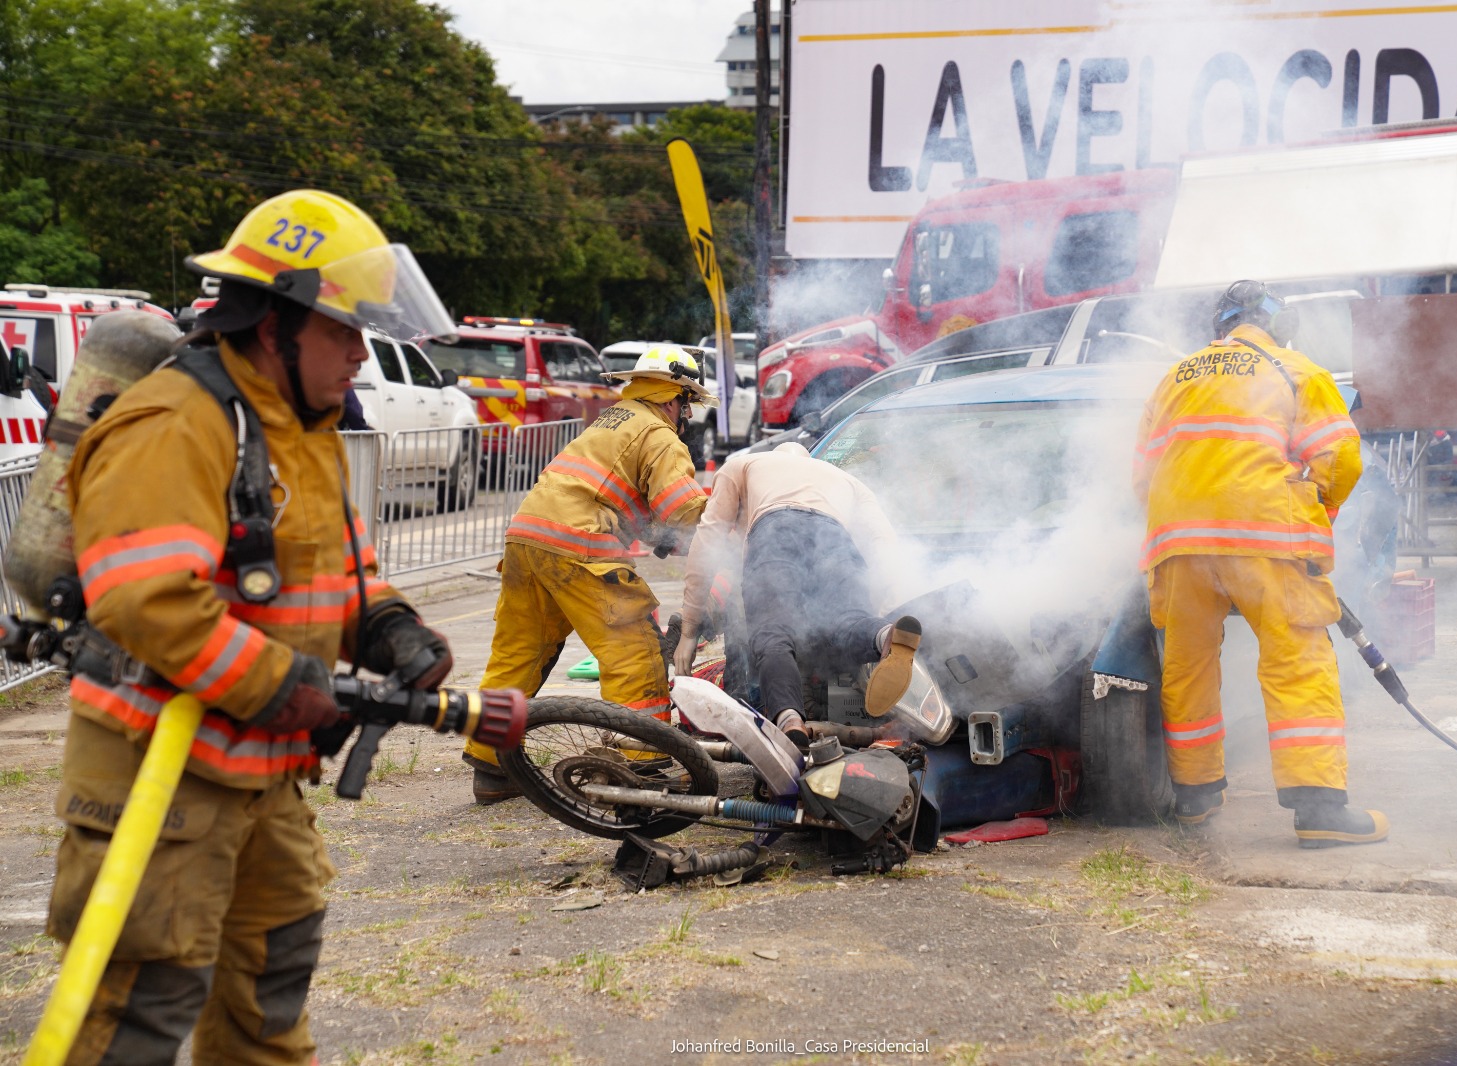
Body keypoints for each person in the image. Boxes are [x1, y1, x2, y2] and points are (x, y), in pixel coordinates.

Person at [50, 189, 458, 1063]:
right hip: (158, 784)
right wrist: (289, 688)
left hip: (263, 778)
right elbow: (146, 596)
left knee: (271, 993)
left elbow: (333, 573)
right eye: (343, 330)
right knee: (139, 1013)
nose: (361, 352)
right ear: (274, 325)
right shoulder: (175, 423)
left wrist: (389, 627)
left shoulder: (300, 427)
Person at [1133, 279, 1388, 848]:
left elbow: (1142, 476)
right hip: (1266, 538)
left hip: (1180, 544)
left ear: (1219, 326)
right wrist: (1316, 503)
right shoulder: (1295, 369)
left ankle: (1196, 798)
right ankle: (1320, 810)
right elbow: (1341, 456)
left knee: (1187, 666)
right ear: (1278, 324)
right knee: (1297, 659)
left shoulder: (1174, 377)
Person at [464, 344, 712, 803]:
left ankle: (492, 766)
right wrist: (724, 529)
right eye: (687, 406)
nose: (686, 417)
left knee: (518, 653)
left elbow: (610, 494)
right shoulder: (659, 434)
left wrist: (656, 534)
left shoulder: (612, 420)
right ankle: (642, 764)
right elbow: (683, 509)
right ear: (674, 398)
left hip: (526, 537)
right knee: (634, 650)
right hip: (578, 543)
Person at [673, 441, 921, 746]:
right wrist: (889, 606)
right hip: (836, 539)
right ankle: (884, 636)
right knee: (847, 622)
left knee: (773, 637)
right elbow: (884, 544)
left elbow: (708, 537)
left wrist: (688, 631)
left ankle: (790, 720)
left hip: (776, 533)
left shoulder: (744, 464)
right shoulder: (846, 480)